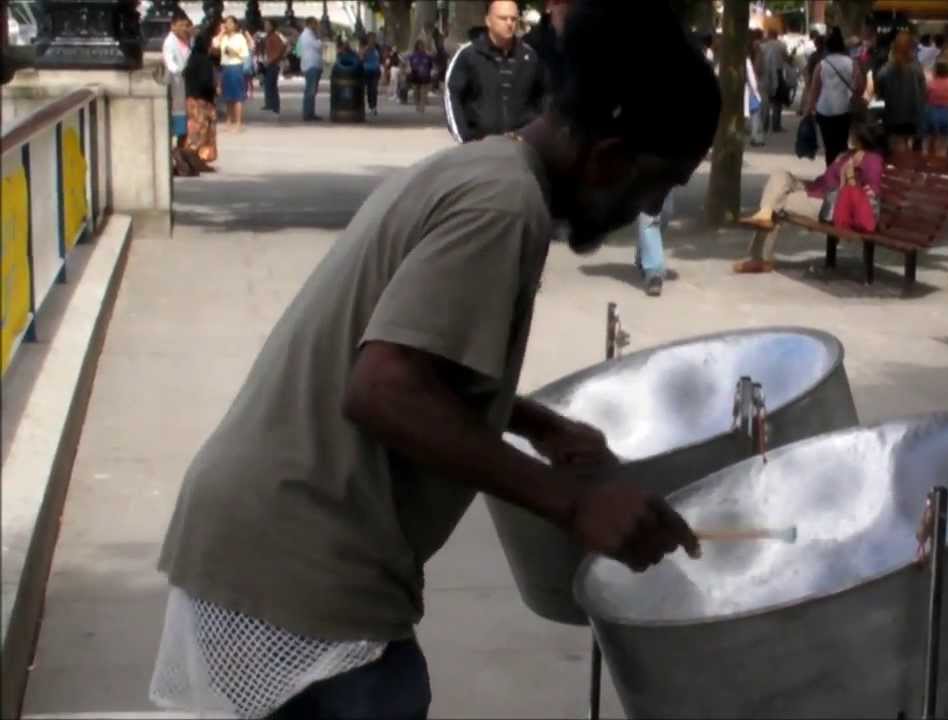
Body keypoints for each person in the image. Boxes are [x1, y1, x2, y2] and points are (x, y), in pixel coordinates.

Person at [146, 2, 719, 718]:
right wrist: (572, 502)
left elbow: (416, 350)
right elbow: (383, 388)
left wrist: (533, 422)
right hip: (300, 562)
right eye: (659, 183)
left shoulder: (487, 169)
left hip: (263, 540)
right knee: (391, 693)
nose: (652, 205)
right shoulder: (503, 208)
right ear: (607, 157)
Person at [735, 123, 886, 274]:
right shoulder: (850, 154)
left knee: (779, 202)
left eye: (852, 133)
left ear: (861, 136)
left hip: (830, 204)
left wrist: (850, 176)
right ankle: (765, 212)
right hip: (817, 190)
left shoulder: (873, 159)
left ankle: (760, 258)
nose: (850, 136)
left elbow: (869, 195)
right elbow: (825, 179)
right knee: (779, 175)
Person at [445, 1, 546, 143]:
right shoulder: (468, 55)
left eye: (513, 19)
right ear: (488, 20)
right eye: (503, 18)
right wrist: (465, 140)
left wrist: (535, 136)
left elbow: (543, 98)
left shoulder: (530, 57)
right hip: (480, 146)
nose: (509, 23)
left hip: (521, 147)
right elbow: (452, 96)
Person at [805, 28, 860, 165]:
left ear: (827, 47)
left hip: (824, 110)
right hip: (845, 109)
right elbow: (859, 85)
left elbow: (814, 89)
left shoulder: (822, 65)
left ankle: (830, 173)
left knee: (829, 146)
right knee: (842, 144)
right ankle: (842, 172)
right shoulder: (852, 63)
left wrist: (810, 108)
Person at [875, 31, 926, 155]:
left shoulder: (885, 70)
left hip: (891, 119)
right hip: (914, 119)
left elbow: (879, 94)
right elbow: (924, 92)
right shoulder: (917, 68)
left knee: (895, 154)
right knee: (911, 154)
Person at [182, 32, 219, 166]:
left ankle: (191, 158)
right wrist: (214, 91)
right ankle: (196, 158)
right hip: (203, 100)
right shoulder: (205, 61)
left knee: (194, 130)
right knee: (203, 131)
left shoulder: (192, 59)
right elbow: (206, 82)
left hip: (191, 98)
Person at [213, 17, 250, 132]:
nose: (227, 25)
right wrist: (221, 32)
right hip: (225, 67)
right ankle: (229, 120)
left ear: (235, 25)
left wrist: (233, 53)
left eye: (230, 23)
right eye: (226, 23)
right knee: (227, 96)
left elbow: (244, 55)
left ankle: (238, 122)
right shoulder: (223, 37)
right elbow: (215, 44)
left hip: (236, 66)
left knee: (237, 96)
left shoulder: (240, 38)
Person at [162, 12, 192, 151]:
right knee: (178, 126)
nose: (184, 28)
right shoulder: (169, 42)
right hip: (177, 86)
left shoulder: (185, 40)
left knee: (184, 127)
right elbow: (170, 63)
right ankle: (178, 155)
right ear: (173, 26)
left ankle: (181, 153)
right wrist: (181, 70)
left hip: (185, 87)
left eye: (185, 25)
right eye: (181, 25)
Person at [924, 60, 948, 158]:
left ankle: (931, 158)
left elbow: (925, 97)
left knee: (931, 137)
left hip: (933, 112)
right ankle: (942, 157)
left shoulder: (931, 83)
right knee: (944, 139)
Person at [258, 19, 287, 115]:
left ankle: (274, 105)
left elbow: (281, 48)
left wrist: (272, 59)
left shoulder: (275, 37)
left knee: (271, 85)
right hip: (268, 63)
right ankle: (270, 104)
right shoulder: (267, 37)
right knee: (268, 84)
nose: (265, 27)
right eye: (265, 25)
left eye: (267, 25)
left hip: (273, 64)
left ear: (272, 26)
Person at [298, 17, 324, 122]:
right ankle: (308, 114)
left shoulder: (306, 35)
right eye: (315, 24)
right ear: (310, 24)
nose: (317, 26)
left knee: (311, 90)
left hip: (310, 64)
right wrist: (320, 37)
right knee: (311, 91)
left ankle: (310, 112)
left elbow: (298, 51)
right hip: (311, 65)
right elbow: (319, 46)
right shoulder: (308, 35)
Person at [407, 40, 433, 113]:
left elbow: (430, 66)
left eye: (422, 46)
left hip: (425, 76)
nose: (421, 47)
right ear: (417, 47)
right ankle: (417, 104)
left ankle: (422, 106)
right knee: (416, 92)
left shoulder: (427, 56)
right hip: (415, 75)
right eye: (419, 46)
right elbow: (410, 65)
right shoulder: (412, 56)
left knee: (423, 92)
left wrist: (429, 72)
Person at [360, 33, 382, 117]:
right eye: (371, 38)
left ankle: (374, 107)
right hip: (366, 71)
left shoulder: (377, 48)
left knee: (374, 89)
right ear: (367, 39)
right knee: (369, 90)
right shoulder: (364, 47)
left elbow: (381, 58)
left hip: (375, 71)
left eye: (374, 38)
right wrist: (366, 50)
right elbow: (361, 58)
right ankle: (369, 106)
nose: (372, 40)